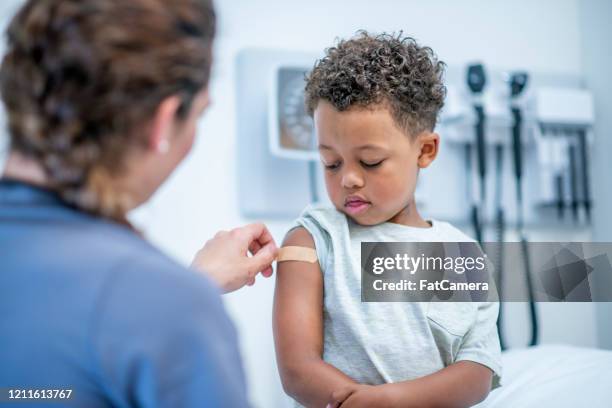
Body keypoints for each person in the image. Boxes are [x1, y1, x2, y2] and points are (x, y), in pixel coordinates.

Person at [0, 0, 277, 407]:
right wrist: (177, 301)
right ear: (164, 121)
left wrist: (189, 288)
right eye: (199, 115)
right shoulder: (162, 306)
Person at [273, 32, 502, 407]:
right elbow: (298, 370)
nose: (348, 178)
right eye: (331, 163)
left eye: (370, 162)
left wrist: (392, 401)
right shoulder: (312, 241)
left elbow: (478, 369)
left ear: (424, 150)